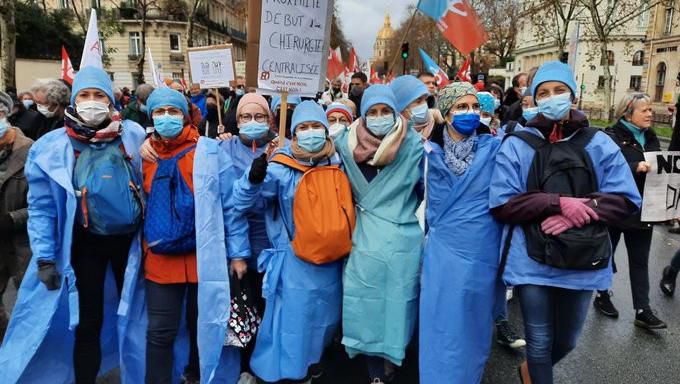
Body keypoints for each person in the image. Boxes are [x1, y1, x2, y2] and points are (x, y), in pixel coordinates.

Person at [489, 61, 640, 384]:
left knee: (567, 341)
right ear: (534, 98)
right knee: (540, 344)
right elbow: (502, 203)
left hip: (583, 258)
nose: (552, 97)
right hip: (532, 259)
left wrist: (583, 209)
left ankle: (529, 373)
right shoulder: (518, 144)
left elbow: (627, 200)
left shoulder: (598, 143)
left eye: (559, 90)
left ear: (572, 94)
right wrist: (558, 203)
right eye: (543, 92)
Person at [0, 66, 147, 383]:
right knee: (87, 321)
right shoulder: (51, 147)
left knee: (137, 317)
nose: (92, 101)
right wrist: (45, 257)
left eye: (99, 95)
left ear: (110, 101)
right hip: (83, 247)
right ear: (74, 99)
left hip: (132, 247)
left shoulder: (133, 134)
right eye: (85, 95)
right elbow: (42, 208)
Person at [229, 101, 345, 383]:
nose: (310, 132)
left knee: (323, 323)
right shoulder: (280, 168)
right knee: (292, 327)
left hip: (332, 263)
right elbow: (240, 202)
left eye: (316, 126)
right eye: (303, 128)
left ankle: (312, 366)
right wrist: (252, 178)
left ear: (327, 130)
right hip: (294, 263)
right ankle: (289, 376)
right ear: (293, 134)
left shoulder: (339, 162)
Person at [138, 87, 241, 384]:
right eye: (159, 112)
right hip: (160, 260)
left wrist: (236, 253)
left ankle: (196, 377)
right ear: (150, 116)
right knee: (159, 331)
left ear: (185, 115)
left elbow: (231, 204)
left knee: (204, 327)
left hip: (203, 258)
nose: (166, 118)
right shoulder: (142, 154)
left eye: (173, 111)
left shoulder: (209, 151)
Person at [336, 85, 423, 383]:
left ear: (396, 112)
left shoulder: (415, 146)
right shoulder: (344, 146)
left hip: (403, 243)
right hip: (363, 243)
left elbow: (428, 193)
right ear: (362, 115)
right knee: (366, 307)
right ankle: (375, 372)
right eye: (372, 112)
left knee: (398, 307)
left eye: (386, 111)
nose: (379, 117)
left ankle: (391, 365)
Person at [418, 82, 505, 383]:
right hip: (442, 253)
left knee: (472, 324)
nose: (470, 113)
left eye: (474, 107)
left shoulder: (495, 148)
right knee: (439, 323)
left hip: (481, 250)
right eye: (461, 107)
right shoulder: (427, 151)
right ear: (446, 112)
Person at [592, 92, 667, 329]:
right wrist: (635, 166)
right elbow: (602, 169)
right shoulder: (610, 136)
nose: (649, 114)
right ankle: (602, 295)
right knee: (607, 254)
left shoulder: (652, 136)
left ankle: (642, 310)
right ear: (628, 112)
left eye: (650, 110)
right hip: (617, 207)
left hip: (645, 208)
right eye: (644, 110)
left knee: (639, 260)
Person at [0, 91, 33, 342]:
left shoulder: (32, 151)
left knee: (31, 309)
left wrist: (12, 219)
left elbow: (46, 205)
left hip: (25, 245)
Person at [390, 75, 435, 139]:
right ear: (401, 108)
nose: (425, 104)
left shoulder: (436, 129)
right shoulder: (391, 138)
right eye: (418, 101)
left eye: (425, 99)